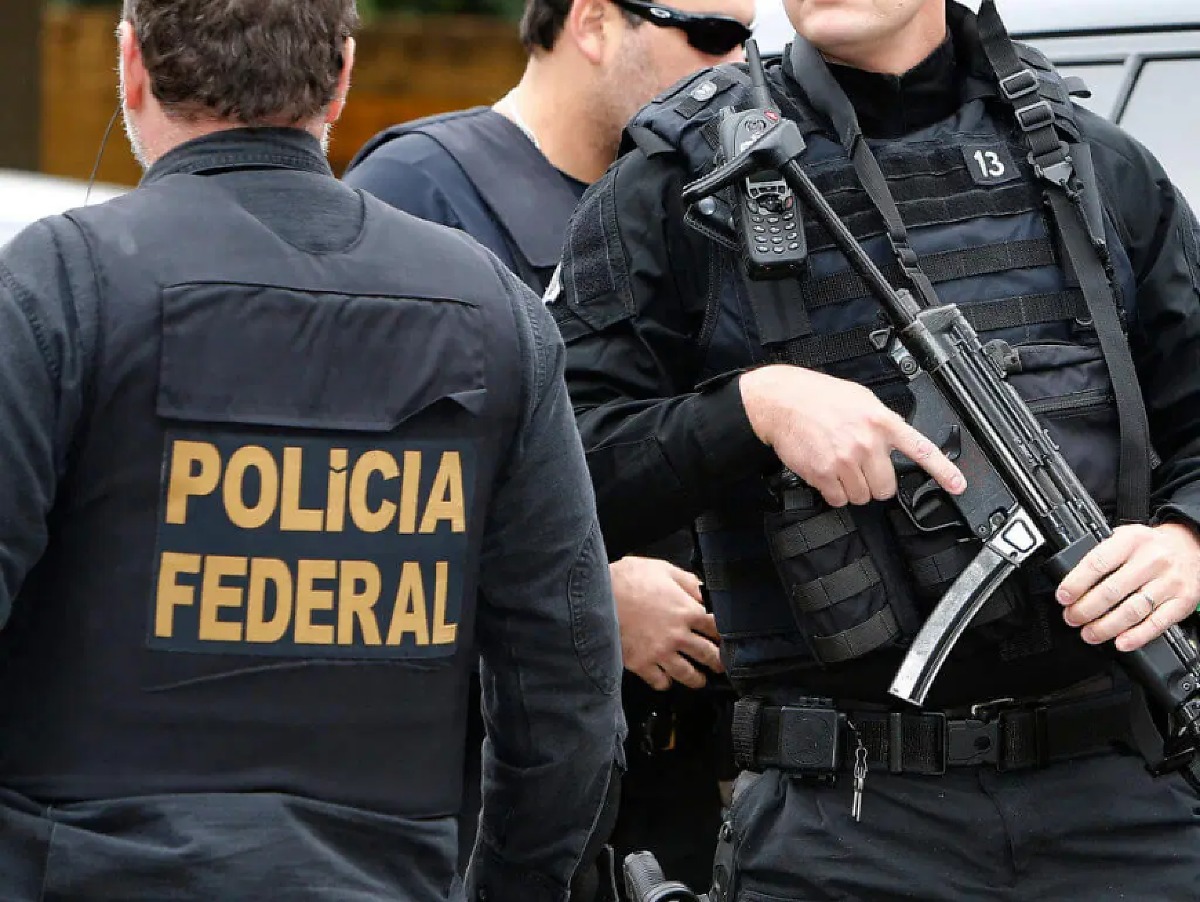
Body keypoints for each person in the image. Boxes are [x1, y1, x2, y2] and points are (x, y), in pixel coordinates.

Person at [550, 0, 1200, 898]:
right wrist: (753, 408)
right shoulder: (680, 182)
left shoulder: (1093, 164)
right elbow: (553, 470)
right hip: (845, 822)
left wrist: (1186, 539)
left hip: (1123, 802)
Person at [0, 1, 624, 899]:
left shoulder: (60, 286)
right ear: (341, 78)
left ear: (132, 66)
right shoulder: (492, 312)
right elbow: (568, 685)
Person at [343, 0, 753, 893]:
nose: (738, 67)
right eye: (713, 36)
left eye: (751, 40)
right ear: (595, 23)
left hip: (674, 782)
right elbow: (359, 513)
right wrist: (588, 600)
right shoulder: (422, 191)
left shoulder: (701, 201)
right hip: (489, 797)